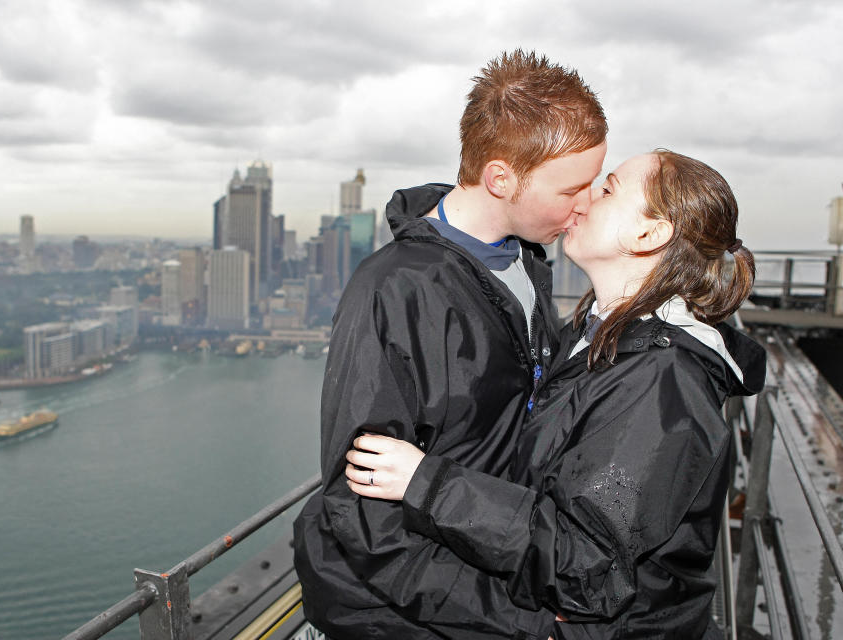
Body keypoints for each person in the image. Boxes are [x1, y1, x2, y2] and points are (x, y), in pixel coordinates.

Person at [345, 150, 766, 639]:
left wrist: (427, 483)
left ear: (649, 234)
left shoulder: (662, 381)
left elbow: (585, 565)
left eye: (607, 190)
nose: (584, 201)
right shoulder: (595, 339)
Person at [293, 50, 607, 639]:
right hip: (403, 615)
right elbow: (364, 515)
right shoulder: (392, 291)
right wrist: (517, 617)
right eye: (574, 187)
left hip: (488, 567)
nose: (587, 203)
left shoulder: (526, 262)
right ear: (500, 178)